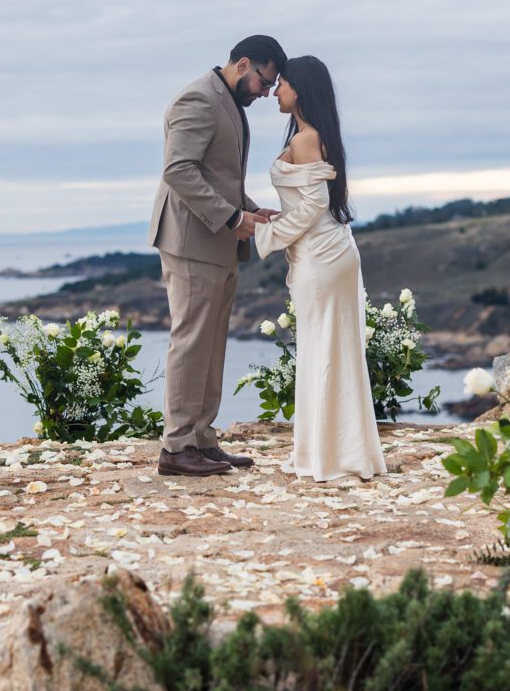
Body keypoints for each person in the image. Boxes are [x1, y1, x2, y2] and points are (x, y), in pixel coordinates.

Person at [149, 35, 287, 477]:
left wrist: (247, 209)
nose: (265, 93)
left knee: (211, 341)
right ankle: (176, 447)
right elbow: (178, 171)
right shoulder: (199, 98)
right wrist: (230, 218)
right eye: (264, 82)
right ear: (243, 63)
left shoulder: (224, 100)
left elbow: (217, 175)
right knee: (191, 340)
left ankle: (201, 439)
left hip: (218, 239)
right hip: (193, 240)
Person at [253, 55, 387, 482]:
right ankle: (338, 449)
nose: (276, 90)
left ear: (301, 90)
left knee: (323, 349)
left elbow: (313, 205)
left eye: (283, 84)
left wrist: (265, 236)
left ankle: (328, 456)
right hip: (332, 250)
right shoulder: (314, 134)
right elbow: (311, 203)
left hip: (321, 255)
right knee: (332, 347)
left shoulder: (306, 138)